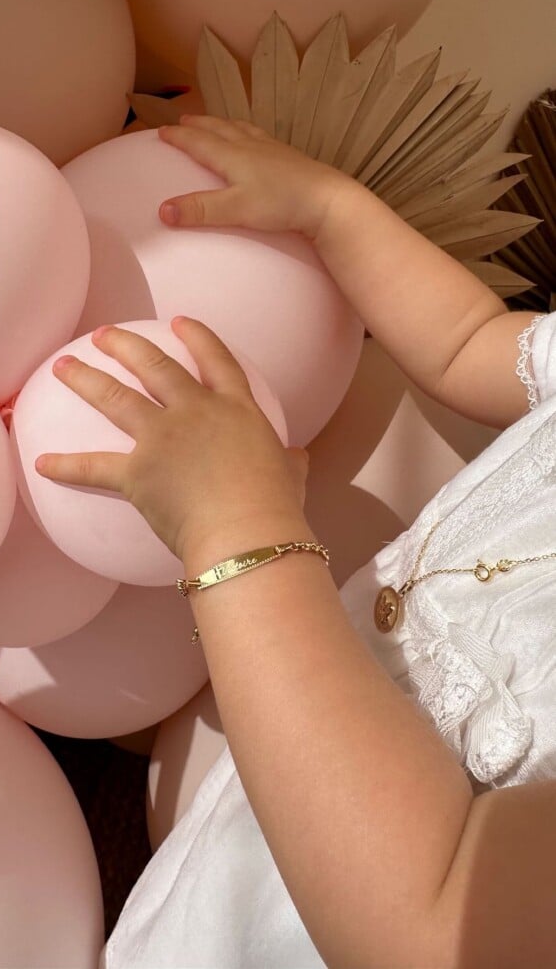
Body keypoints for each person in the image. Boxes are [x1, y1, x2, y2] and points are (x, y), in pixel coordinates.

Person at [36, 116, 556, 968]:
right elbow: (471, 341)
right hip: (250, 845)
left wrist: (239, 523)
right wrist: (335, 210)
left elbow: (435, 918)